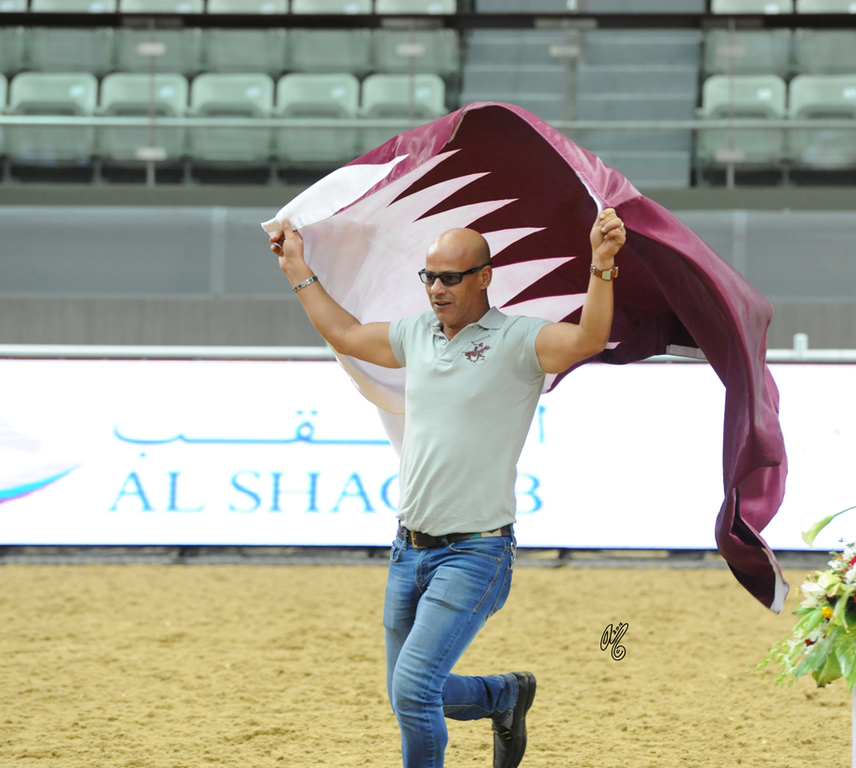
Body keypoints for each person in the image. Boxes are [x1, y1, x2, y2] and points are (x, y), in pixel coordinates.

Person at [269, 208, 626, 768]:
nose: (436, 288)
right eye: (430, 277)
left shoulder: (519, 339)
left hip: (476, 553)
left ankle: (497, 700)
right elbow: (346, 334)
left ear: (485, 277)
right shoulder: (416, 333)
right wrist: (296, 267)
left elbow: (588, 338)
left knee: (414, 691)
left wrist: (601, 265)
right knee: (408, 693)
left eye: (450, 278)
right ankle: (502, 696)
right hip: (407, 548)